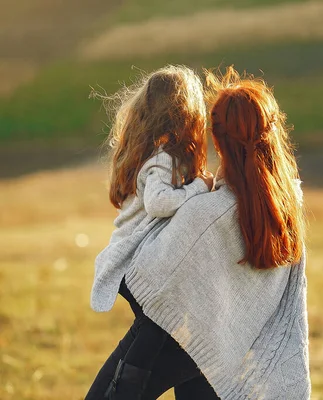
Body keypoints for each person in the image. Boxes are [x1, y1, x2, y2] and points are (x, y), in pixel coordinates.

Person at [89, 66, 311, 399]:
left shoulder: (206, 212)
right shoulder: (285, 209)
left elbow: (148, 275)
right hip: (222, 347)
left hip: (168, 333)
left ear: (219, 140)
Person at [86, 65, 216, 399]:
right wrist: (199, 189)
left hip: (136, 266)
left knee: (169, 342)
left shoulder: (154, 154)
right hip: (136, 264)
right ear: (187, 115)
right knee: (158, 342)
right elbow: (159, 203)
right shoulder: (164, 159)